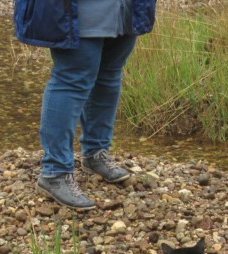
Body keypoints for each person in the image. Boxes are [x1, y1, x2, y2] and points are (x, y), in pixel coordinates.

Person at [14, 0, 157, 210]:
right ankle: (55, 172)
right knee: (71, 79)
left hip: (125, 7)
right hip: (78, 8)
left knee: (109, 75)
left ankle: (95, 153)